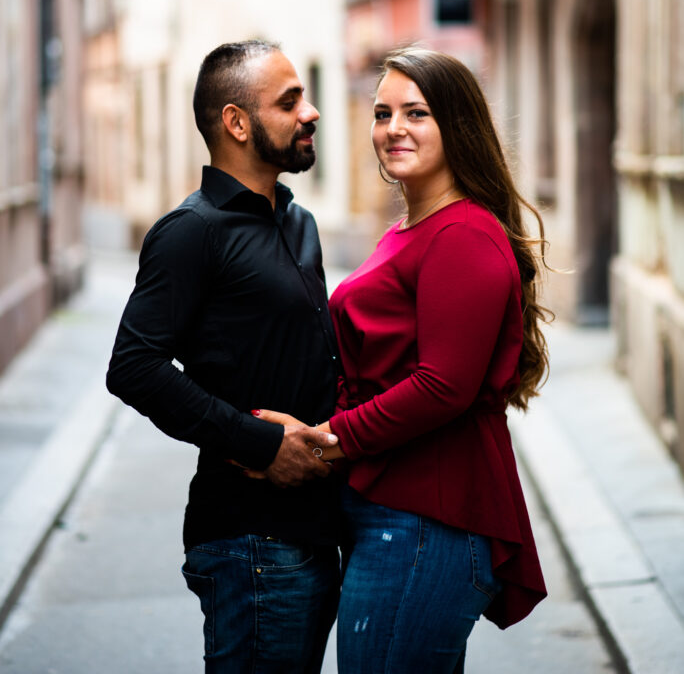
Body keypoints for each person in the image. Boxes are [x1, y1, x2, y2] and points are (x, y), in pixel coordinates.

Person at [251, 46, 550, 673]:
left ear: (457, 125)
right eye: (382, 113)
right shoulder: (413, 228)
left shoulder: (462, 234)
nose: (393, 129)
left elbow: (443, 386)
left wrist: (325, 443)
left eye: (416, 113)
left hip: (425, 519)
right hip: (396, 511)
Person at [106, 40, 341, 674]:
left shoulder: (298, 222)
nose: (311, 112)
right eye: (289, 102)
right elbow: (134, 367)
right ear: (237, 122)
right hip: (251, 543)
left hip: (316, 531)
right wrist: (261, 445)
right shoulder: (192, 230)